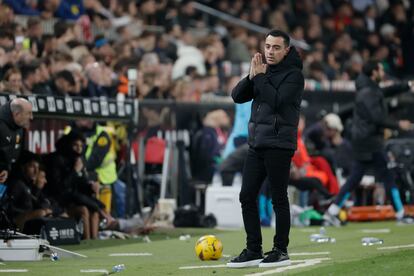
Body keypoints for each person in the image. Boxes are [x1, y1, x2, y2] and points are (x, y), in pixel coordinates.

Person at [227, 29, 304, 268]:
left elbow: (278, 101)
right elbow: (237, 96)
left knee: (278, 197)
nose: (270, 52)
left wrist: (260, 78)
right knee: (246, 195)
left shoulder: (294, 75)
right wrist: (251, 77)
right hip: (257, 143)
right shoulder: (262, 70)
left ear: (286, 50)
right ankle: (254, 249)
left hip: (279, 145)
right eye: (268, 46)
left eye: (276, 47)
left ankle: (280, 249)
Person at [325, 61, 414, 226]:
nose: (383, 72)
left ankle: (332, 212)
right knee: (388, 175)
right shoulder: (368, 92)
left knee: (355, 177)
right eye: (380, 69)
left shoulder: (370, 88)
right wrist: (398, 124)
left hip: (364, 140)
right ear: (374, 72)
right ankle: (401, 214)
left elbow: (385, 91)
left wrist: (407, 86)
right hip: (370, 141)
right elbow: (376, 118)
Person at [0, 98, 33, 185]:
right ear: (17, 114)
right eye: (28, 113)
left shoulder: (19, 128)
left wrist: (5, 169)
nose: (31, 117)